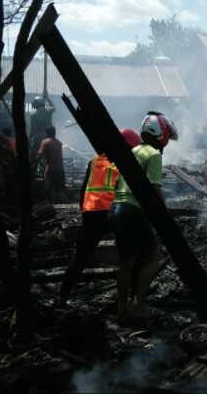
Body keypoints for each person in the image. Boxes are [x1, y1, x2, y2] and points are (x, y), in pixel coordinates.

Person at [56, 128, 143, 307]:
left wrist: (84, 211)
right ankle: (131, 301)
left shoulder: (95, 161)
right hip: (115, 213)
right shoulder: (126, 162)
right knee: (130, 257)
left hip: (92, 212)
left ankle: (62, 296)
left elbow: (84, 189)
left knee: (80, 256)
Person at [109, 111, 178, 325]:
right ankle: (138, 304)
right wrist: (164, 214)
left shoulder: (133, 150)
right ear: (161, 135)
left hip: (117, 209)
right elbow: (154, 188)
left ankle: (122, 309)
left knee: (127, 262)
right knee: (154, 258)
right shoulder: (153, 154)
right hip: (134, 210)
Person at [37, 126, 65, 202]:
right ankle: (62, 204)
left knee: (50, 188)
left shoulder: (45, 142)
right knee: (60, 188)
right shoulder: (59, 142)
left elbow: (39, 155)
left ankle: (53, 205)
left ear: (47, 133)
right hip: (60, 168)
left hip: (50, 168)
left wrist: (34, 161)